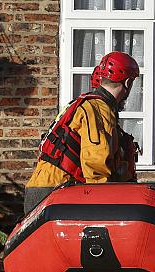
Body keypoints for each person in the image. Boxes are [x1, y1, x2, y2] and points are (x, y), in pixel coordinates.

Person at [24, 51, 140, 214]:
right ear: (128, 82)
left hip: (44, 188)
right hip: (54, 192)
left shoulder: (85, 104)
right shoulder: (98, 109)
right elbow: (96, 164)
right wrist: (107, 204)